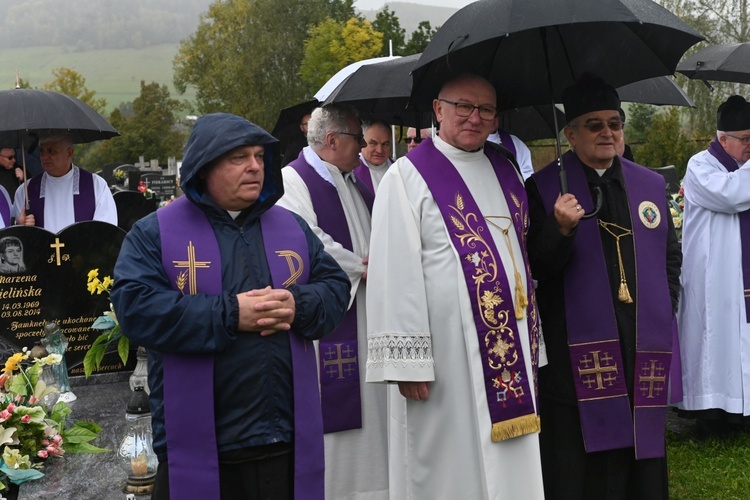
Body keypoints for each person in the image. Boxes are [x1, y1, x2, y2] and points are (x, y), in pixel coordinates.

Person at [110, 113, 350, 499]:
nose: (255, 166)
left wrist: (297, 305)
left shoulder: (291, 227)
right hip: (204, 451)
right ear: (205, 166)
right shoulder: (154, 233)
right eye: (238, 157)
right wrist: (230, 314)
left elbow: (336, 288)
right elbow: (136, 310)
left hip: (285, 443)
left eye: (259, 156)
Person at [366, 73, 545, 499]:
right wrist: (405, 364)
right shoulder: (407, 176)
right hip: (444, 360)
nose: (474, 117)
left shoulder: (505, 169)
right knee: (447, 462)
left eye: (485, 110)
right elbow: (393, 272)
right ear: (438, 109)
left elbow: (519, 257)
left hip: (509, 348)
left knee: (512, 464)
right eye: (463, 106)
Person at [526, 76, 681, 499]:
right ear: (570, 133)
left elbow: (670, 256)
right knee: (584, 468)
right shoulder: (543, 190)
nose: (607, 132)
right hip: (576, 356)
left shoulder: (648, 185)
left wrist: (665, 309)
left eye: (615, 122)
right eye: (593, 124)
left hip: (640, 344)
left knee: (643, 463)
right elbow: (536, 268)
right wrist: (559, 230)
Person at [279, 103, 388, 499]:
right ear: (332, 140)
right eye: (358, 139)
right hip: (332, 320)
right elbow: (304, 239)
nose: (362, 148)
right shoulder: (293, 179)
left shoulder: (352, 179)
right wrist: (361, 266)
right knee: (339, 420)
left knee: (374, 418)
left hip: (368, 313)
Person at [678, 95, 750, 434]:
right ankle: (712, 412)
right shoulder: (700, 166)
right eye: (747, 139)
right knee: (714, 340)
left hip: (741, 275)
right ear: (723, 139)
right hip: (713, 277)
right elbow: (732, 195)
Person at [13, 132, 117, 232]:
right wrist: (21, 227)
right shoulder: (26, 190)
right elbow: (17, 241)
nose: (45, 157)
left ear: (69, 153)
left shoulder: (96, 185)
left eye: (51, 151)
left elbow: (105, 232)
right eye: (42, 151)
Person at [354, 119, 392, 194]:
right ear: (362, 142)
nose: (379, 150)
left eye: (385, 144)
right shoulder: (351, 172)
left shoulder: (399, 169)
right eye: (373, 143)